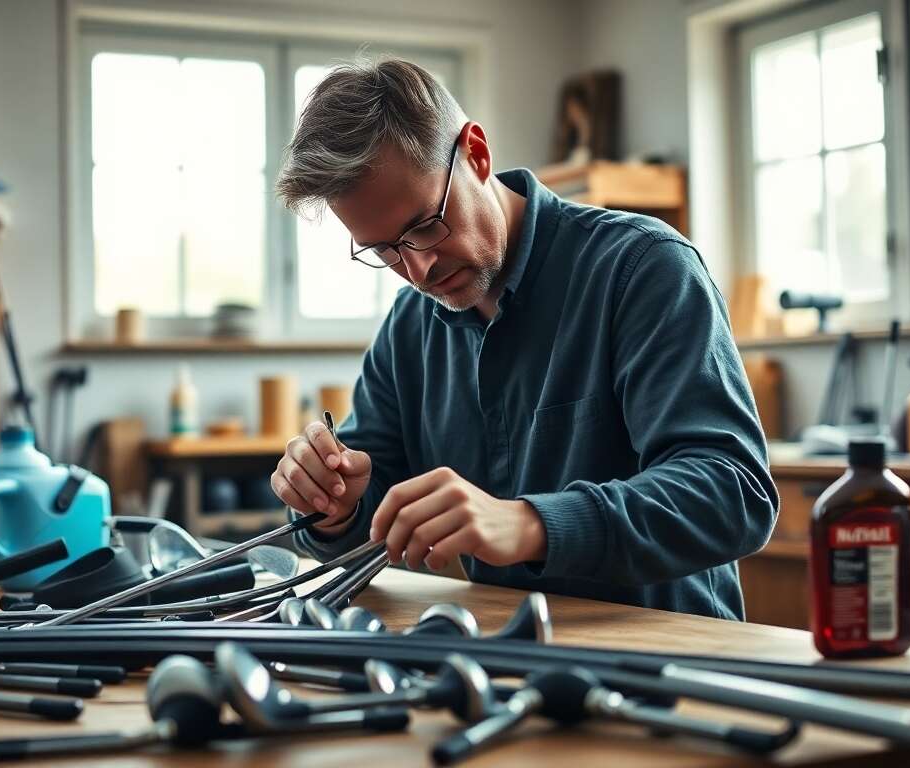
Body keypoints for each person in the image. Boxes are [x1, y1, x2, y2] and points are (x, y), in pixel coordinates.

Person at [270, 58, 777, 618]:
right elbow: (367, 528)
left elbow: (733, 494)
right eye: (385, 250)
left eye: (424, 225)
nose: (418, 269)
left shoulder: (642, 269)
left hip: (674, 658)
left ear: (477, 155)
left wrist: (531, 523)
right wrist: (333, 506)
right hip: (510, 659)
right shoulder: (409, 325)